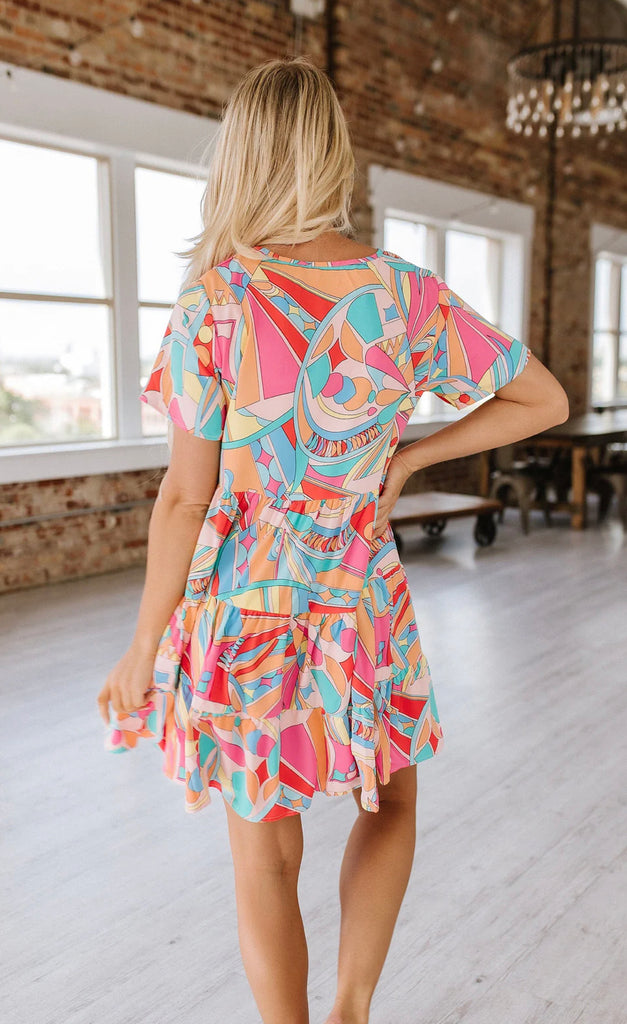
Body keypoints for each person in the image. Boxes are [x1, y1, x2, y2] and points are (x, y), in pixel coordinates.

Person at [96, 55, 569, 1024]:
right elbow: (544, 399)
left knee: (265, 854)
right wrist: (410, 458)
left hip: (246, 608)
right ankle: (351, 1010)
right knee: (389, 802)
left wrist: (145, 644)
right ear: (330, 153)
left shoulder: (214, 302)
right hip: (362, 599)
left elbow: (184, 499)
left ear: (242, 157)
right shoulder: (404, 296)